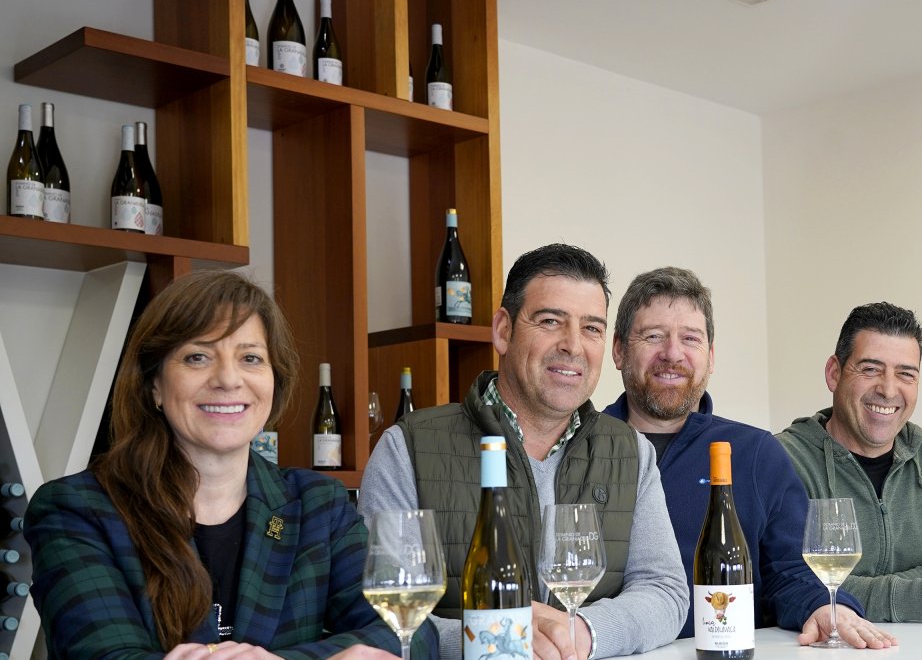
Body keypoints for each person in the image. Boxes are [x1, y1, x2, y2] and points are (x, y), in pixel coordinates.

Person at [24, 270, 427, 659]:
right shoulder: (76, 509)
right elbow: (105, 654)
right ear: (154, 385)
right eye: (197, 357)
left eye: (251, 358)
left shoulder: (318, 506)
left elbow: (411, 634)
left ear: (274, 382)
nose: (228, 379)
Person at [359, 244, 689, 660]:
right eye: (551, 321)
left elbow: (665, 590)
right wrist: (497, 636)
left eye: (591, 328)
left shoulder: (631, 452)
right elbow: (376, 612)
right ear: (503, 330)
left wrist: (581, 633)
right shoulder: (406, 447)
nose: (573, 345)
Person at [602, 267, 895, 650]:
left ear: (710, 357)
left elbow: (791, 571)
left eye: (690, 338)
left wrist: (822, 607)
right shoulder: (581, 450)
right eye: (653, 336)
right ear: (620, 350)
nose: (672, 353)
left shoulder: (756, 453)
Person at [775, 302, 922, 624]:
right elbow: (792, 585)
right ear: (834, 373)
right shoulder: (782, 460)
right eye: (870, 369)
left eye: (906, 374)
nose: (888, 389)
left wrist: (857, 587)